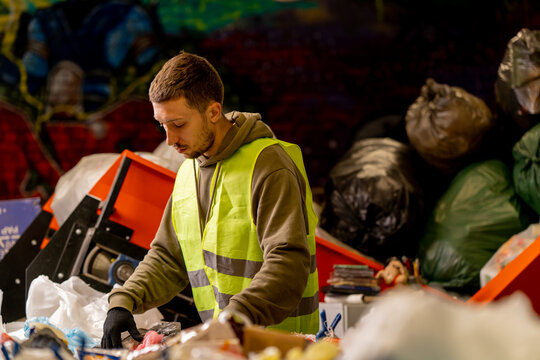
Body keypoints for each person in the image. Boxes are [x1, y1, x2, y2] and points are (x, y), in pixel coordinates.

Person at [100, 51, 319, 348]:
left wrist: (237, 317)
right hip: (226, 345)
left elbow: (288, 264)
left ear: (213, 112)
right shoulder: (188, 171)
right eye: (161, 125)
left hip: (278, 345)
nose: (169, 140)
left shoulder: (269, 165)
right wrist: (124, 301)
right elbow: (168, 258)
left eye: (178, 124)